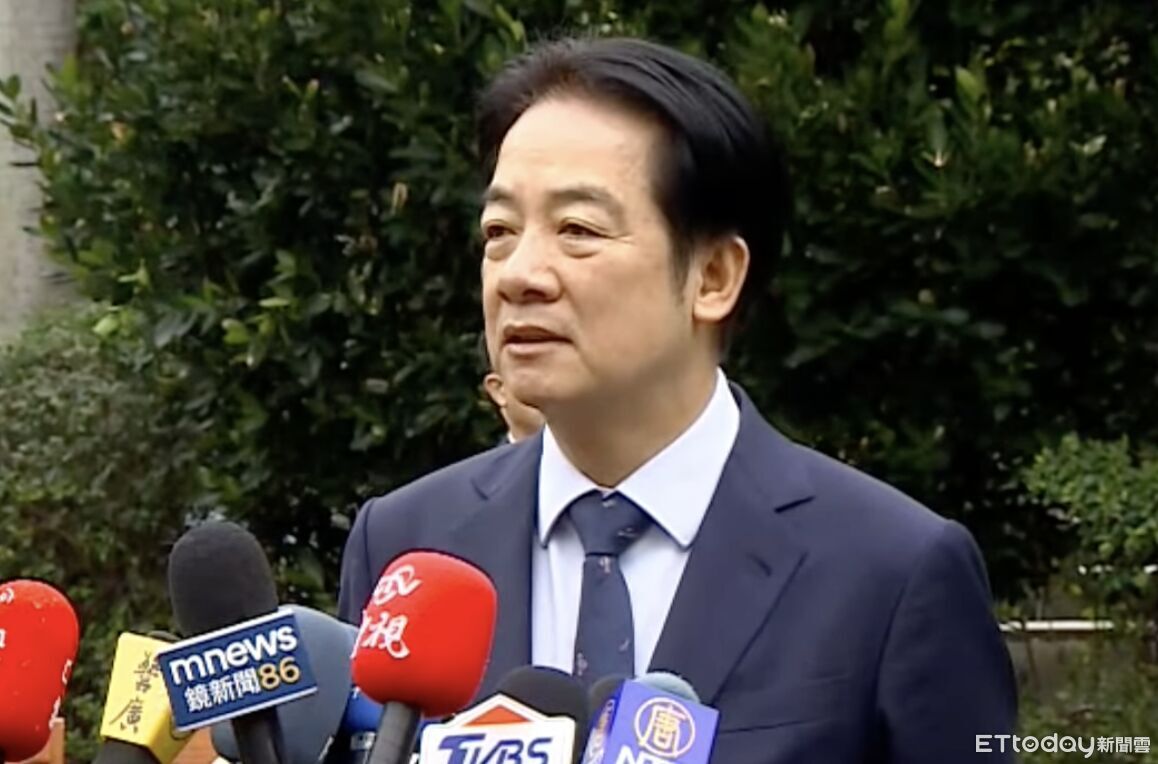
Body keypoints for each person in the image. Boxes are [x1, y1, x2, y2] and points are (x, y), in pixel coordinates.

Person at [339, 36, 1017, 762]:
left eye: (578, 230)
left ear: (714, 277)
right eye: (499, 232)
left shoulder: (892, 570)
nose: (519, 274)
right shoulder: (407, 544)